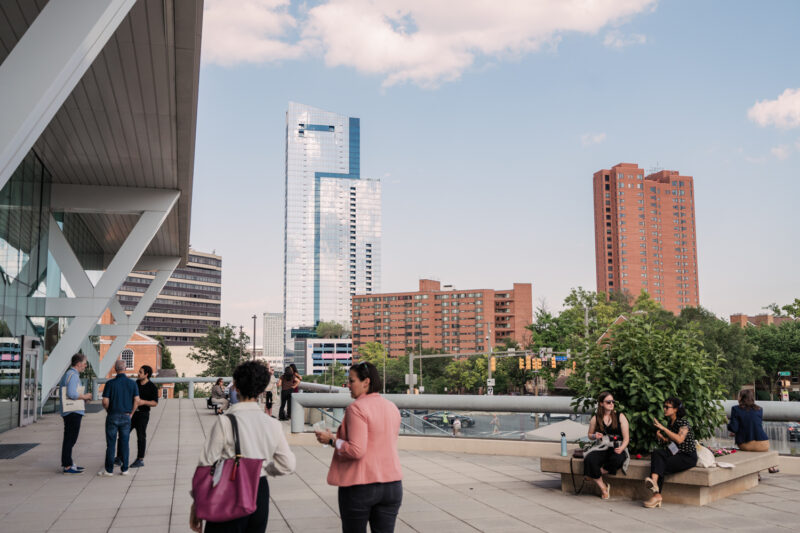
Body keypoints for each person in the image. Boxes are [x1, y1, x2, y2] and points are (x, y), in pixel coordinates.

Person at [190, 361, 296, 533]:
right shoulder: (272, 424)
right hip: (259, 490)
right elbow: (288, 464)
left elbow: (206, 464)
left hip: (228, 490)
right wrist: (262, 469)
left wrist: (197, 503)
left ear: (235, 387)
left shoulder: (225, 422)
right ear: (262, 390)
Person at [315, 361, 403, 533]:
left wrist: (332, 440)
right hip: (392, 485)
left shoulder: (357, 408)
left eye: (352, 381)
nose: (348, 385)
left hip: (361, 486)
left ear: (366, 382)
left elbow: (356, 450)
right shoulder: (392, 407)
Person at [643, 397, 697, 508]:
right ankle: (654, 484)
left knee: (661, 464)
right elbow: (672, 443)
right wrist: (663, 438)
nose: (664, 409)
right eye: (664, 406)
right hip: (676, 453)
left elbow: (679, 439)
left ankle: (656, 495)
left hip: (687, 457)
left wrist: (663, 429)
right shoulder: (671, 423)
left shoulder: (683, 422)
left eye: (667, 407)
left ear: (676, 409)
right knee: (657, 453)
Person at [583, 391, 630, 499]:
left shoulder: (620, 416)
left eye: (613, 402)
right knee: (590, 459)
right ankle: (603, 488)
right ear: (601, 403)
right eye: (608, 402)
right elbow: (590, 435)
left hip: (617, 446)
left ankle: (595, 472)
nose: (611, 404)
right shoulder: (596, 418)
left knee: (617, 459)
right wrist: (595, 435)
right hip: (602, 447)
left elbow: (626, 438)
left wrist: (622, 448)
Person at [99, 359, 139, 476]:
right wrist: (131, 413)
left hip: (112, 415)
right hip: (126, 416)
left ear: (115, 369)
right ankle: (125, 469)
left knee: (111, 444)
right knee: (125, 443)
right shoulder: (132, 383)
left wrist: (108, 410)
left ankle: (109, 470)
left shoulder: (110, 384)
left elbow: (105, 401)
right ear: (125, 369)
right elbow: (137, 400)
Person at [116, 365, 158, 468]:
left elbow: (155, 403)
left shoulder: (152, 387)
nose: (138, 373)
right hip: (131, 414)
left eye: (140, 372)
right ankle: (119, 458)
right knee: (122, 435)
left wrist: (143, 402)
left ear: (146, 374)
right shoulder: (135, 384)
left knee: (141, 436)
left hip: (143, 415)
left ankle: (140, 459)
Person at [728, 389, 779, 473]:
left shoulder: (736, 409)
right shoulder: (759, 409)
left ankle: (757, 474)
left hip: (746, 444)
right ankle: (770, 466)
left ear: (741, 398)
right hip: (764, 443)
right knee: (759, 450)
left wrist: (727, 423)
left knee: (751, 449)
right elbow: (753, 425)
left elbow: (734, 428)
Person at [59, 353, 93, 474]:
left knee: (69, 438)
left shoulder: (69, 374)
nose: (85, 366)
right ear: (78, 364)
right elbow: (72, 394)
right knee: (70, 439)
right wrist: (85, 396)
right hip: (72, 412)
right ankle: (67, 465)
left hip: (69, 412)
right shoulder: (73, 375)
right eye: (84, 364)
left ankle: (69, 463)